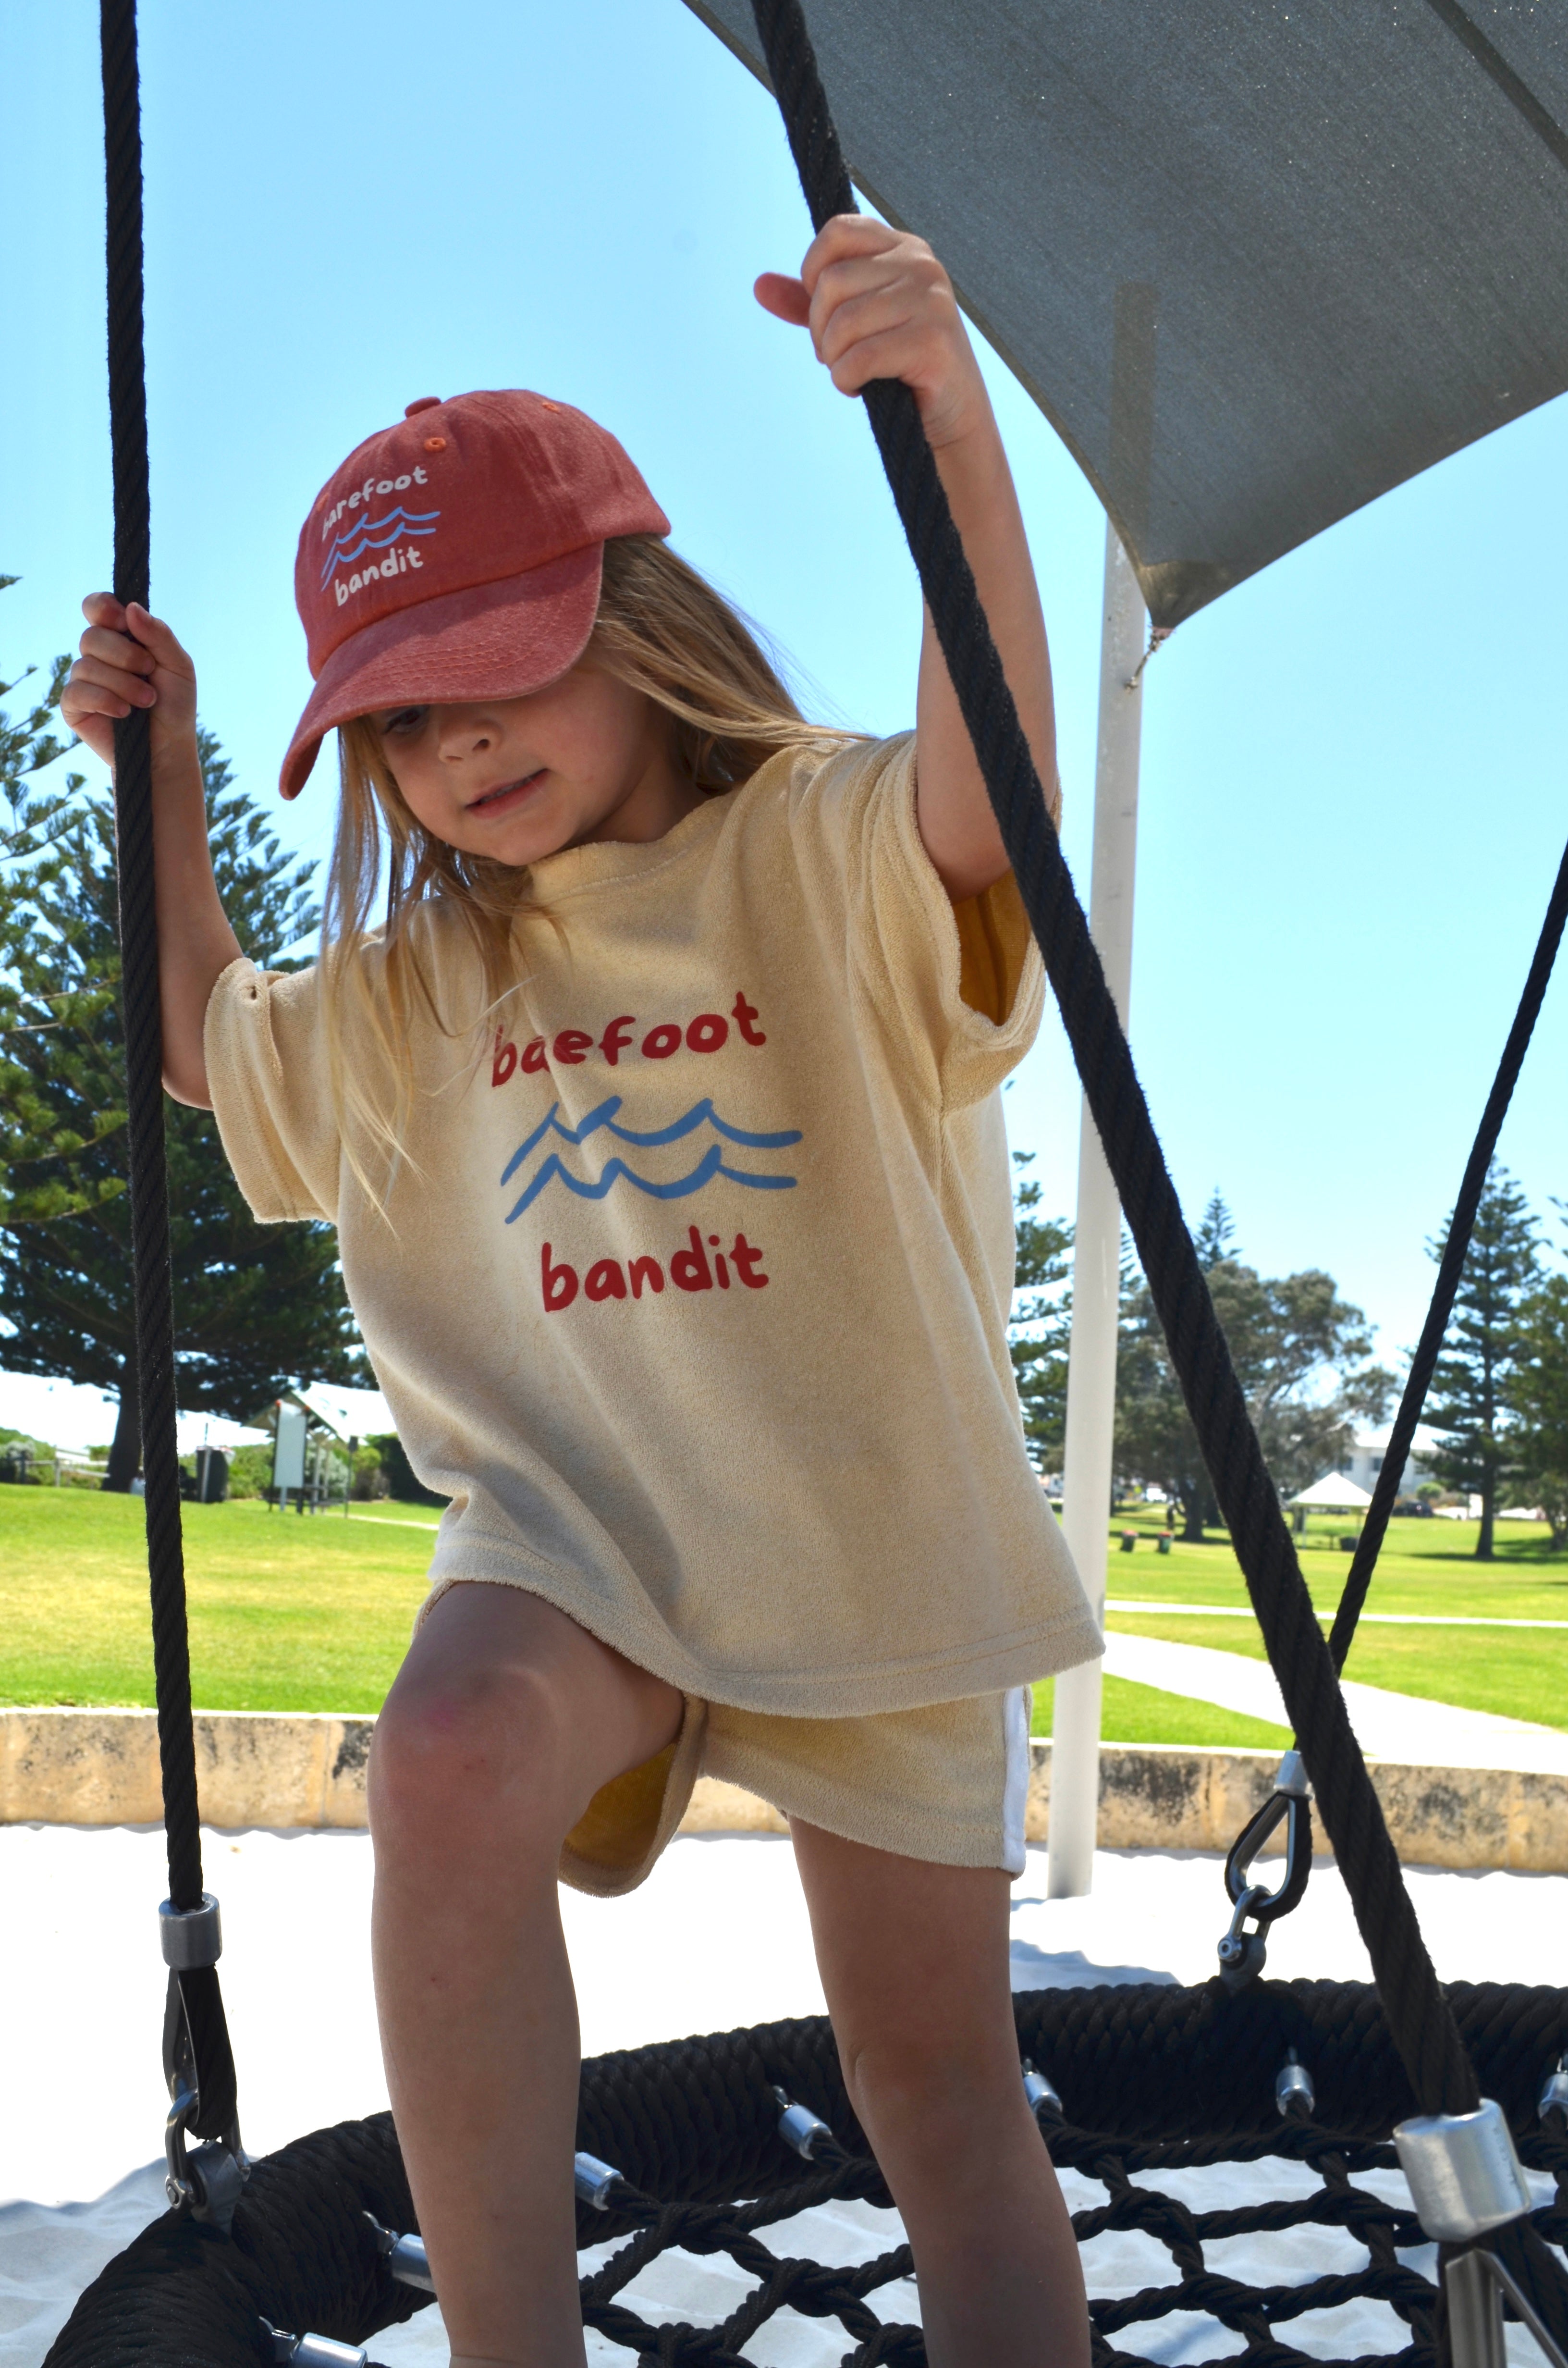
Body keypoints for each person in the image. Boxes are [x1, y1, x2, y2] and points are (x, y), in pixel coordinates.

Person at [64, 216, 1101, 2368]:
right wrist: (155, 771)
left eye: (512, 657)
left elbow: (986, 788)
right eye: (404, 713)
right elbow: (199, 1036)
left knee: (942, 2110)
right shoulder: (427, 975)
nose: (463, 744)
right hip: (586, 1548)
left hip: (864, 1527)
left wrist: (949, 423)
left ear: (634, 613)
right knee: (440, 1747)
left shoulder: (808, 842)